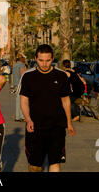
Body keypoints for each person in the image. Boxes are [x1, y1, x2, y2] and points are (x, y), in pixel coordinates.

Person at [19, 44, 75, 172]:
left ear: (53, 58)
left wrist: (69, 122)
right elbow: (24, 101)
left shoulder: (61, 76)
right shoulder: (28, 76)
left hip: (57, 126)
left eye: (48, 60)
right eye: (41, 60)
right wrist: (28, 119)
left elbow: (65, 100)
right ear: (35, 58)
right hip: (35, 127)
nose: (44, 64)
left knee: (55, 162)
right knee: (35, 166)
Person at [13, 54, 27, 122]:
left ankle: (17, 116)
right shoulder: (22, 65)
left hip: (16, 84)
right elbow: (23, 75)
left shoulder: (15, 65)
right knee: (22, 101)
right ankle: (22, 116)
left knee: (17, 101)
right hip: (21, 84)